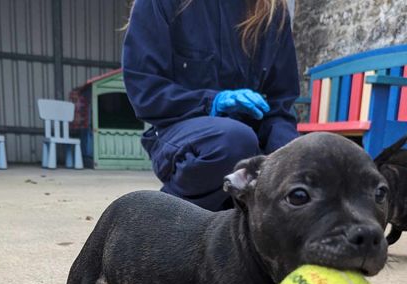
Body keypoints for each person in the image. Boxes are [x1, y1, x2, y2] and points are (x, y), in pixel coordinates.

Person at [122, 0, 300, 211]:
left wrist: (290, 155)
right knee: (233, 141)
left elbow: (280, 103)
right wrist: (211, 102)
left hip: (253, 140)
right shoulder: (161, 4)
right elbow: (145, 91)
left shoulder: (272, 11)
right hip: (184, 136)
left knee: (303, 158)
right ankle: (170, 218)